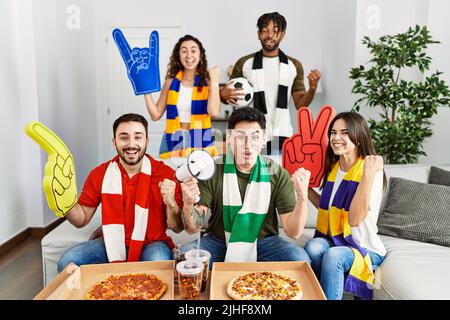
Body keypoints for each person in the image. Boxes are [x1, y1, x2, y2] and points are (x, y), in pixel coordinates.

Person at [180, 107, 311, 268]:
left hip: (264, 242)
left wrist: (302, 197)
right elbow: (193, 228)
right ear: (229, 138)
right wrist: (187, 205)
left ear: (263, 140)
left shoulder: (277, 173)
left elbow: (294, 232)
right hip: (220, 240)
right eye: (240, 137)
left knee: (299, 258)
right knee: (186, 256)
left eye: (255, 137)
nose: (248, 145)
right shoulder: (211, 170)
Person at [57, 113, 184, 272]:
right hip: (112, 241)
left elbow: (177, 227)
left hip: (152, 243)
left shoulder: (165, 174)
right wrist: (63, 199)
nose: (132, 144)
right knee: (67, 261)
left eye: (138, 137)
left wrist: (171, 203)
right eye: (124, 137)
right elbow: (81, 219)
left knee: (158, 266)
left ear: (147, 141)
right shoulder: (100, 174)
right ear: (114, 142)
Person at [303, 112, 387, 300]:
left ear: (358, 138)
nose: (336, 138)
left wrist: (367, 175)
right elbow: (327, 207)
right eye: (333, 132)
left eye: (344, 133)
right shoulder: (333, 168)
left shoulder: (371, 170)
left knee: (334, 256)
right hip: (335, 239)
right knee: (314, 247)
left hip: (365, 247)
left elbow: (355, 219)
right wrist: (303, 186)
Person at [220, 12, 321, 155]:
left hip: (282, 133)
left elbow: (300, 104)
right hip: (250, 134)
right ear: (258, 34)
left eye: (275, 31)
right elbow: (229, 96)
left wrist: (312, 88)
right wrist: (222, 94)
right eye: (265, 30)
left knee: (275, 175)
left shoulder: (294, 65)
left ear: (283, 34)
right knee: (248, 175)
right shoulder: (244, 63)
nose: (270, 35)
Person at [143, 34, 221, 159]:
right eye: (184, 51)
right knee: (170, 178)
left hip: (199, 138)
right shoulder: (170, 82)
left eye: (193, 50)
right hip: (172, 139)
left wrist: (215, 80)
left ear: (200, 56)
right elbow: (156, 114)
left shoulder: (207, 83)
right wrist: (145, 89)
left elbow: (213, 111)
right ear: (178, 56)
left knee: (197, 178)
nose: (189, 55)